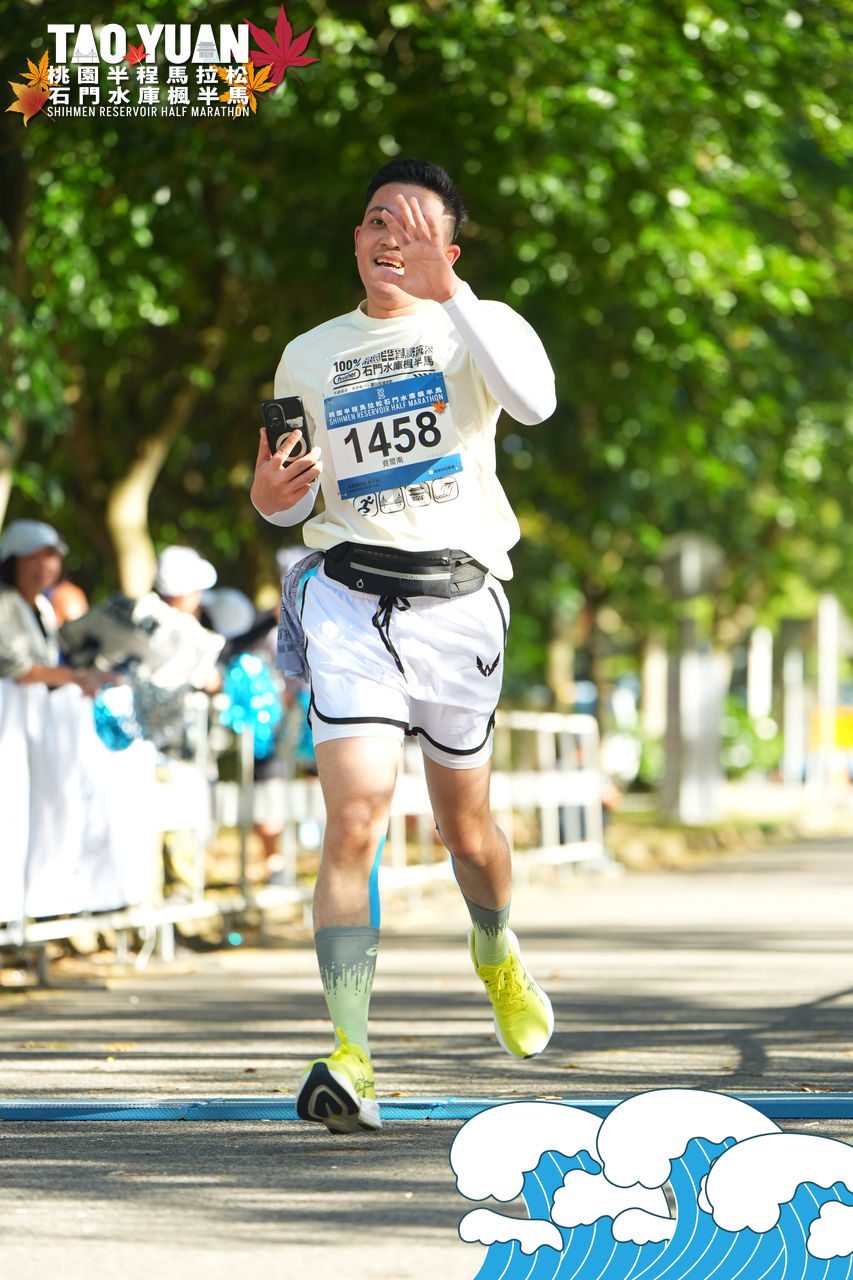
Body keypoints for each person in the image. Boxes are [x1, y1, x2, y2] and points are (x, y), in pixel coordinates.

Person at [250, 156, 557, 1135]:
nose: (394, 239)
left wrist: (453, 297)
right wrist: (269, 494)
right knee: (355, 819)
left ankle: (494, 945)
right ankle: (351, 1055)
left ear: (450, 250)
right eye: (380, 220)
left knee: (467, 832)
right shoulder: (309, 354)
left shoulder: (480, 325)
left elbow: (535, 403)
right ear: (356, 238)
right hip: (346, 598)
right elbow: (281, 493)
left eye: (419, 228)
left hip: (458, 604)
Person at [0, 519, 101, 696]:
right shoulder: (4, 601)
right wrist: (70, 676)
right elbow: (8, 665)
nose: (43, 564)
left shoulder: (44, 606)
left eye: (50, 555)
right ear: (12, 561)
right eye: (32, 556)